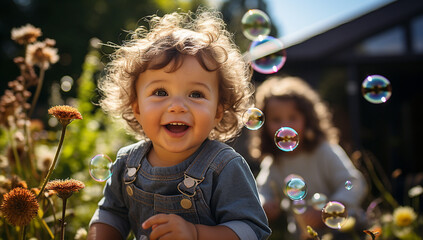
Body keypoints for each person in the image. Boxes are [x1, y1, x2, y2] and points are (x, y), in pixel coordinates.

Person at [87, 8, 271, 240]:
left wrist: (195, 233)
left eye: (195, 94)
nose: (177, 106)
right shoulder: (127, 164)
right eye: (160, 91)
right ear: (137, 108)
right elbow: (110, 214)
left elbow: (252, 230)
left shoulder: (225, 167)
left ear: (217, 112)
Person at [251, 76, 368, 239]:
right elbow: (262, 192)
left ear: (308, 119)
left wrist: (327, 210)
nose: (285, 125)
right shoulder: (274, 162)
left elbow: (354, 183)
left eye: (292, 118)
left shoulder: (324, 151)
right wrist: (265, 203)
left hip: (346, 230)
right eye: (276, 119)